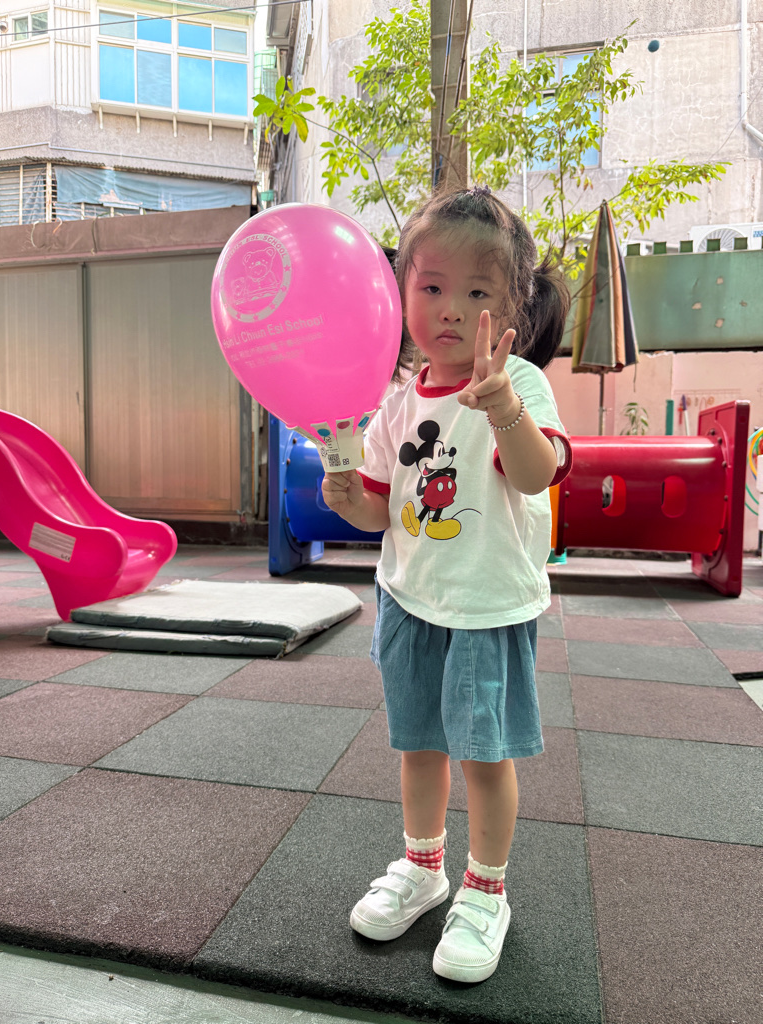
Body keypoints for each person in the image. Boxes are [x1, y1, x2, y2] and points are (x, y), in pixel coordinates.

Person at [321, 185, 573, 984]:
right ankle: (424, 866)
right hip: (410, 601)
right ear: (402, 294)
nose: (451, 310)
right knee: (419, 745)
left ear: (513, 307)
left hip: (486, 607)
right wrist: (346, 496)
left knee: (484, 758)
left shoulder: (519, 383)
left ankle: (486, 890)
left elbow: (534, 473)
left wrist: (502, 406)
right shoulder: (397, 402)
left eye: (477, 293)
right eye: (431, 287)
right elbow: (380, 509)